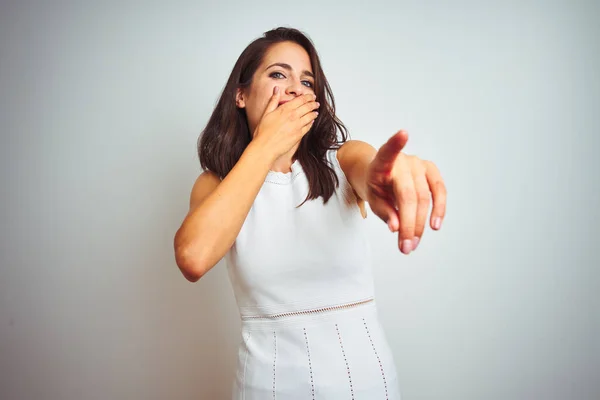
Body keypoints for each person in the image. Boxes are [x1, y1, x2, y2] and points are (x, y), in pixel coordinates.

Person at [174, 27, 446, 399]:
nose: (295, 88)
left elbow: (370, 169)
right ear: (240, 94)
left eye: (307, 80)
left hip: (365, 385)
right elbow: (194, 257)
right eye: (277, 74)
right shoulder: (215, 184)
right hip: (266, 388)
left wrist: (389, 180)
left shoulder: (343, 160)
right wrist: (266, 144)